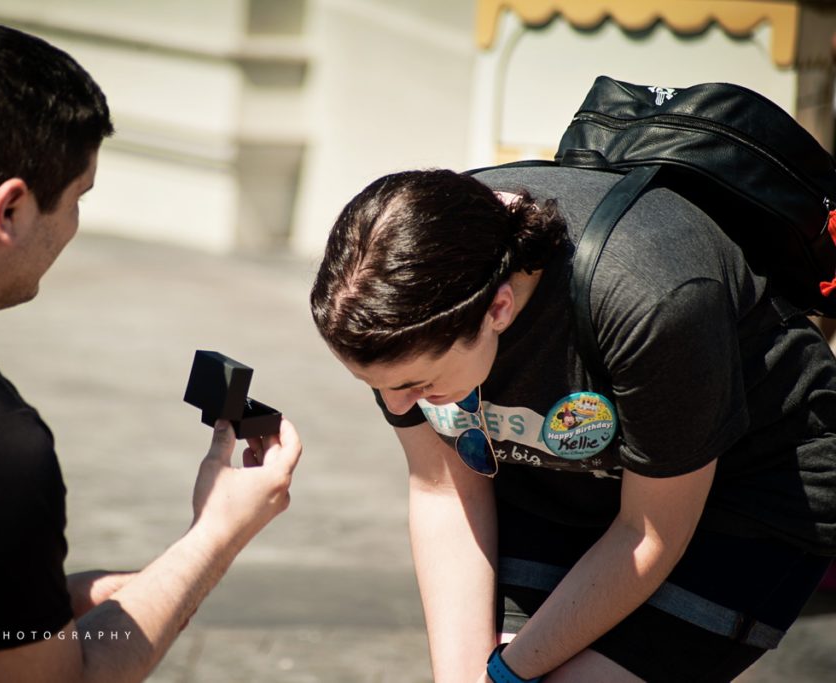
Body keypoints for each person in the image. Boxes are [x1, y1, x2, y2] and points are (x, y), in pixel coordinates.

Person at [0, 20, 301, 683]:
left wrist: (30, 602)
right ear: (9, 210)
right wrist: (216, 534)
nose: (74, 226)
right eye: (77, 198)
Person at [310, 166, 836, 682]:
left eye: (417, 384)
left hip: (749, 485)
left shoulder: (650, 298)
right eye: (374, 385)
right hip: (565, 476)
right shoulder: (408, 284)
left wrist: (508, 674)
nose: (399, 407)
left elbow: (648, 533)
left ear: (497, 309)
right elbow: (444, 490)